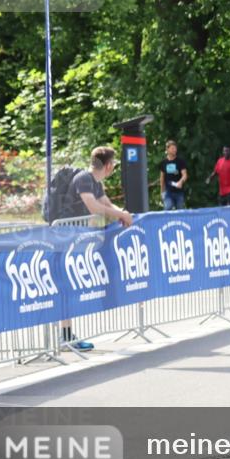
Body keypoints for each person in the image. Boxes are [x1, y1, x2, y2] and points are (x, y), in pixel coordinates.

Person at [59, 146, 134, 351]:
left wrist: (124, 213)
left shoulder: (96, 183)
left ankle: (66, 336)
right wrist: (121, 215)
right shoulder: (84, 179)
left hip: (77, 238)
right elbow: (94, 207)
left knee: (70, 287)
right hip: (64, 238)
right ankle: (65, 337)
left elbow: (106, 203)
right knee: (66, 287)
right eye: (114, 165)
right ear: (108, 165)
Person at [158, 140, 188, 210]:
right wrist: (162, 192)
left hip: (179, 192)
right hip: (168, 192)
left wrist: (181, 182)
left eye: (175, 148)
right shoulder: (163, 163)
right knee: (168, 207)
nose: (175, 150)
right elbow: (162, 178)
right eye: (172, 148)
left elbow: (185, 175)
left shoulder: (180, 161)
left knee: (180, 210)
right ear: (167, 150)